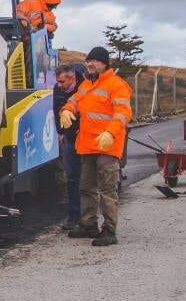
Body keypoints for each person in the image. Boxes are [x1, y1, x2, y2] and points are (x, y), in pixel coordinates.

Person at [60, 46, 132, 247]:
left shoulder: (116, 85)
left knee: (107, 189)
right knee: (86, 187)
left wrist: (110, 132)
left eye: (95, 61)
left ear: (104, 63)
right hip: (88, 146)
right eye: (88, 61)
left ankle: (109, 230)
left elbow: (123, 113)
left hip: (107, 146)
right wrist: (66, 110)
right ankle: (88, 224)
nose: (90, 64)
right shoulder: (85, 85)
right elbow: (73, 100)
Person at [53, 63, 87, 230]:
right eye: (57, 82)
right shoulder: (58, 90)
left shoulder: (86, 87)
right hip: (70, 138)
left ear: (72, 78)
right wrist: (61, 132)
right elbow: (56, 110)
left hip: (87, 137)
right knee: (72, 178)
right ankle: (74, 215)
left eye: (62, 82)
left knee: (88, 178)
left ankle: (89, 217)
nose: (59, 85)